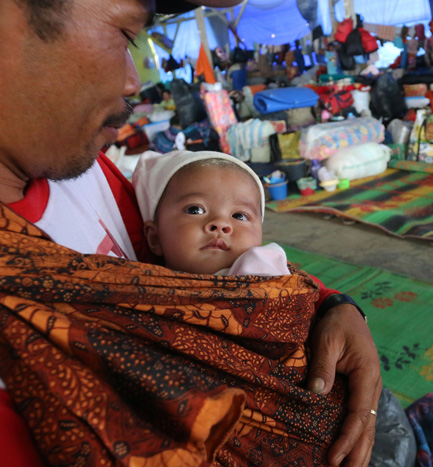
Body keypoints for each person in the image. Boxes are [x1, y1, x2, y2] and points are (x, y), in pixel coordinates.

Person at [0, 0, 381, 465]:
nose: (132, 82)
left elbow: (212, 274)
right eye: (126, 36)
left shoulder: (81, 166)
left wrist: (332, 305)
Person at [132, 150, 290, 276]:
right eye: (195, 210)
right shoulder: (138, 288)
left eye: (239, 216)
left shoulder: (265, 271)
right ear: (155, 238)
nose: (220, 223)